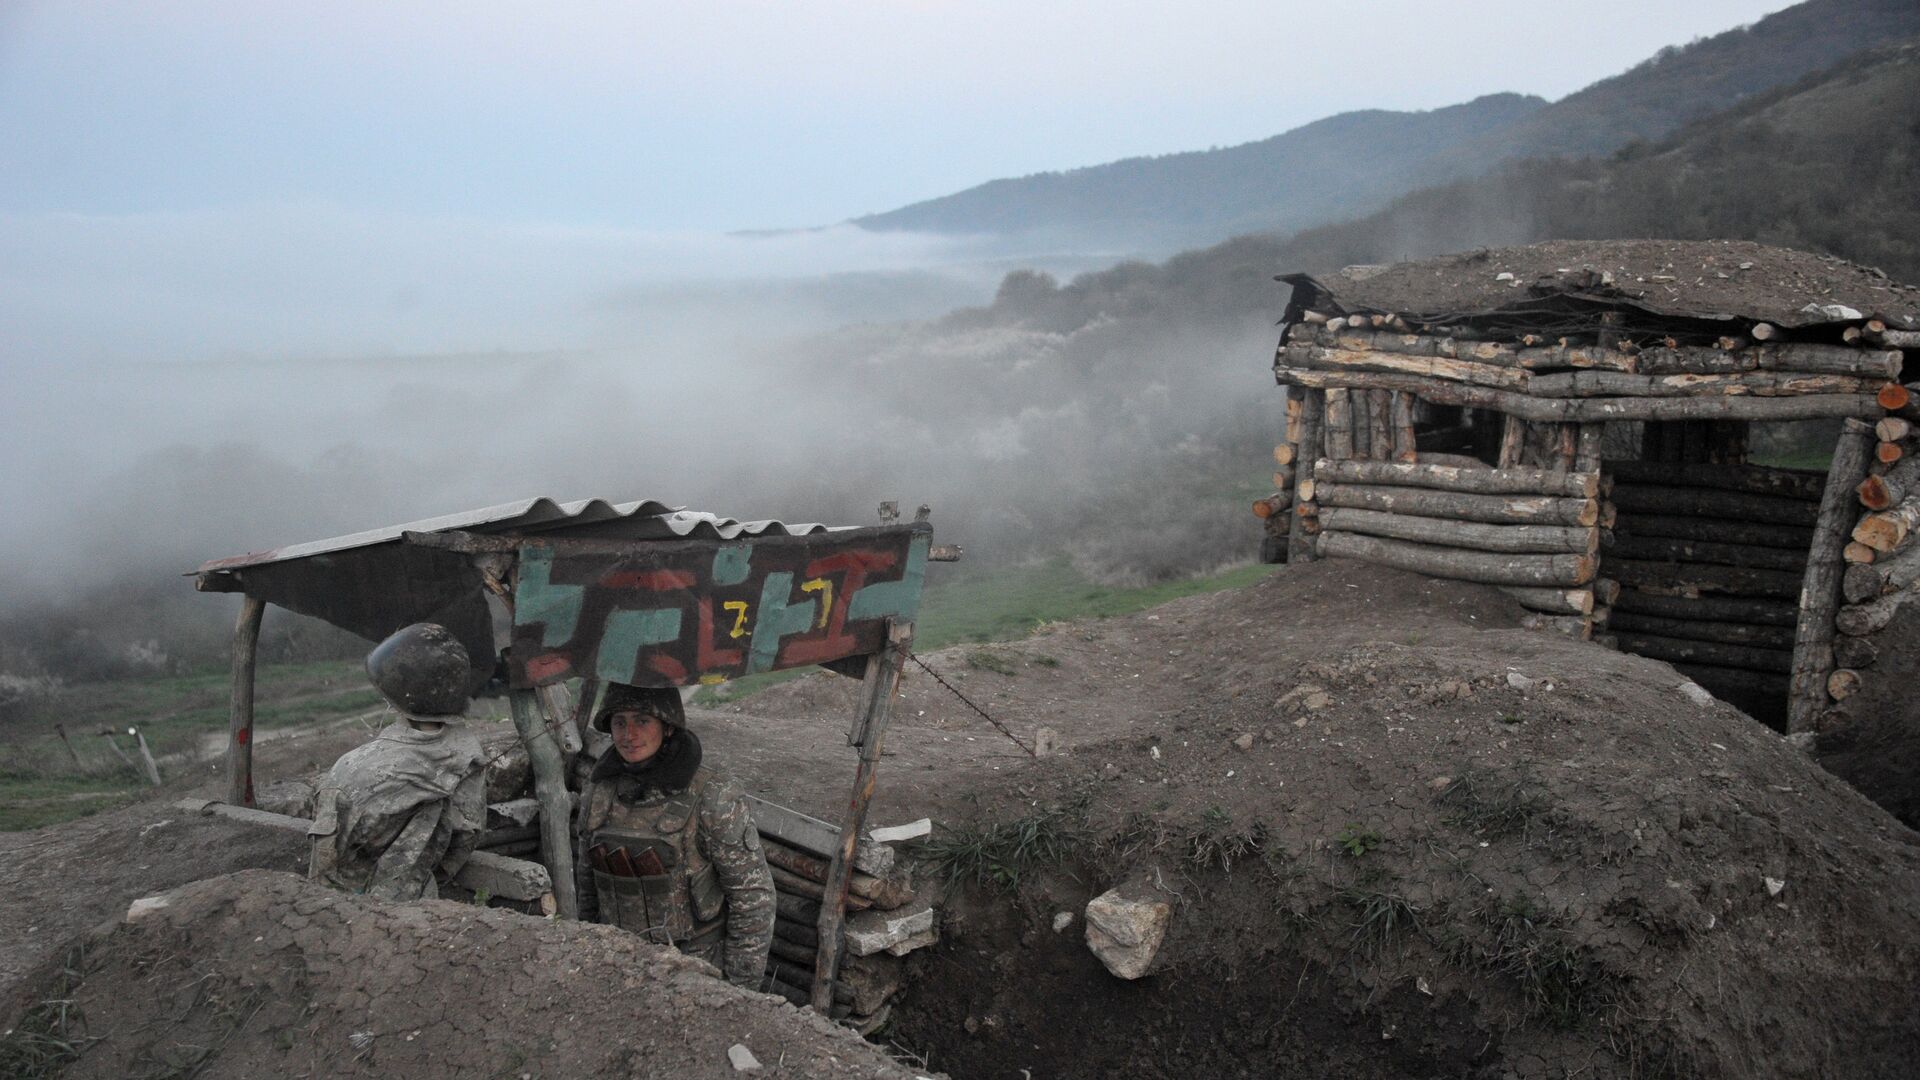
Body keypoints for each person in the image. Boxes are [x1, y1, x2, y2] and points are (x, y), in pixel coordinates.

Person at [574, 682, 775, 989]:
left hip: (696, 972)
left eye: (642, 721)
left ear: (667, 728)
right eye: (619, 722)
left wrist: (739, 992)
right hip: (618, 967)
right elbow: (588, 886)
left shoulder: (712, 797)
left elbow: (753, 899)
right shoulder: (598, 793)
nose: (628, 735)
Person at [308, 622, 488, 901]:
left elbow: (325, 859)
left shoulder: (351, 768)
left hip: (339, 908)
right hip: (416, 905)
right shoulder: (468, 755)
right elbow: (465, 837)